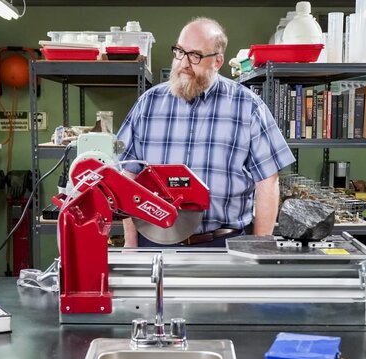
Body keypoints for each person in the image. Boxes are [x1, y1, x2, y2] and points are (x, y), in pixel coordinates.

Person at [117, 17, 295, 247]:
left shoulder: (248, 106)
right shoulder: (148, 104)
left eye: (195, 56)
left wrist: (260, 248)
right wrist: (131, 244)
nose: (183, 63)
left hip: (223, 244)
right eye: (179, 52)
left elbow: (267, 181)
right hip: (154, 242)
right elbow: (127, 176)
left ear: (217, 61)